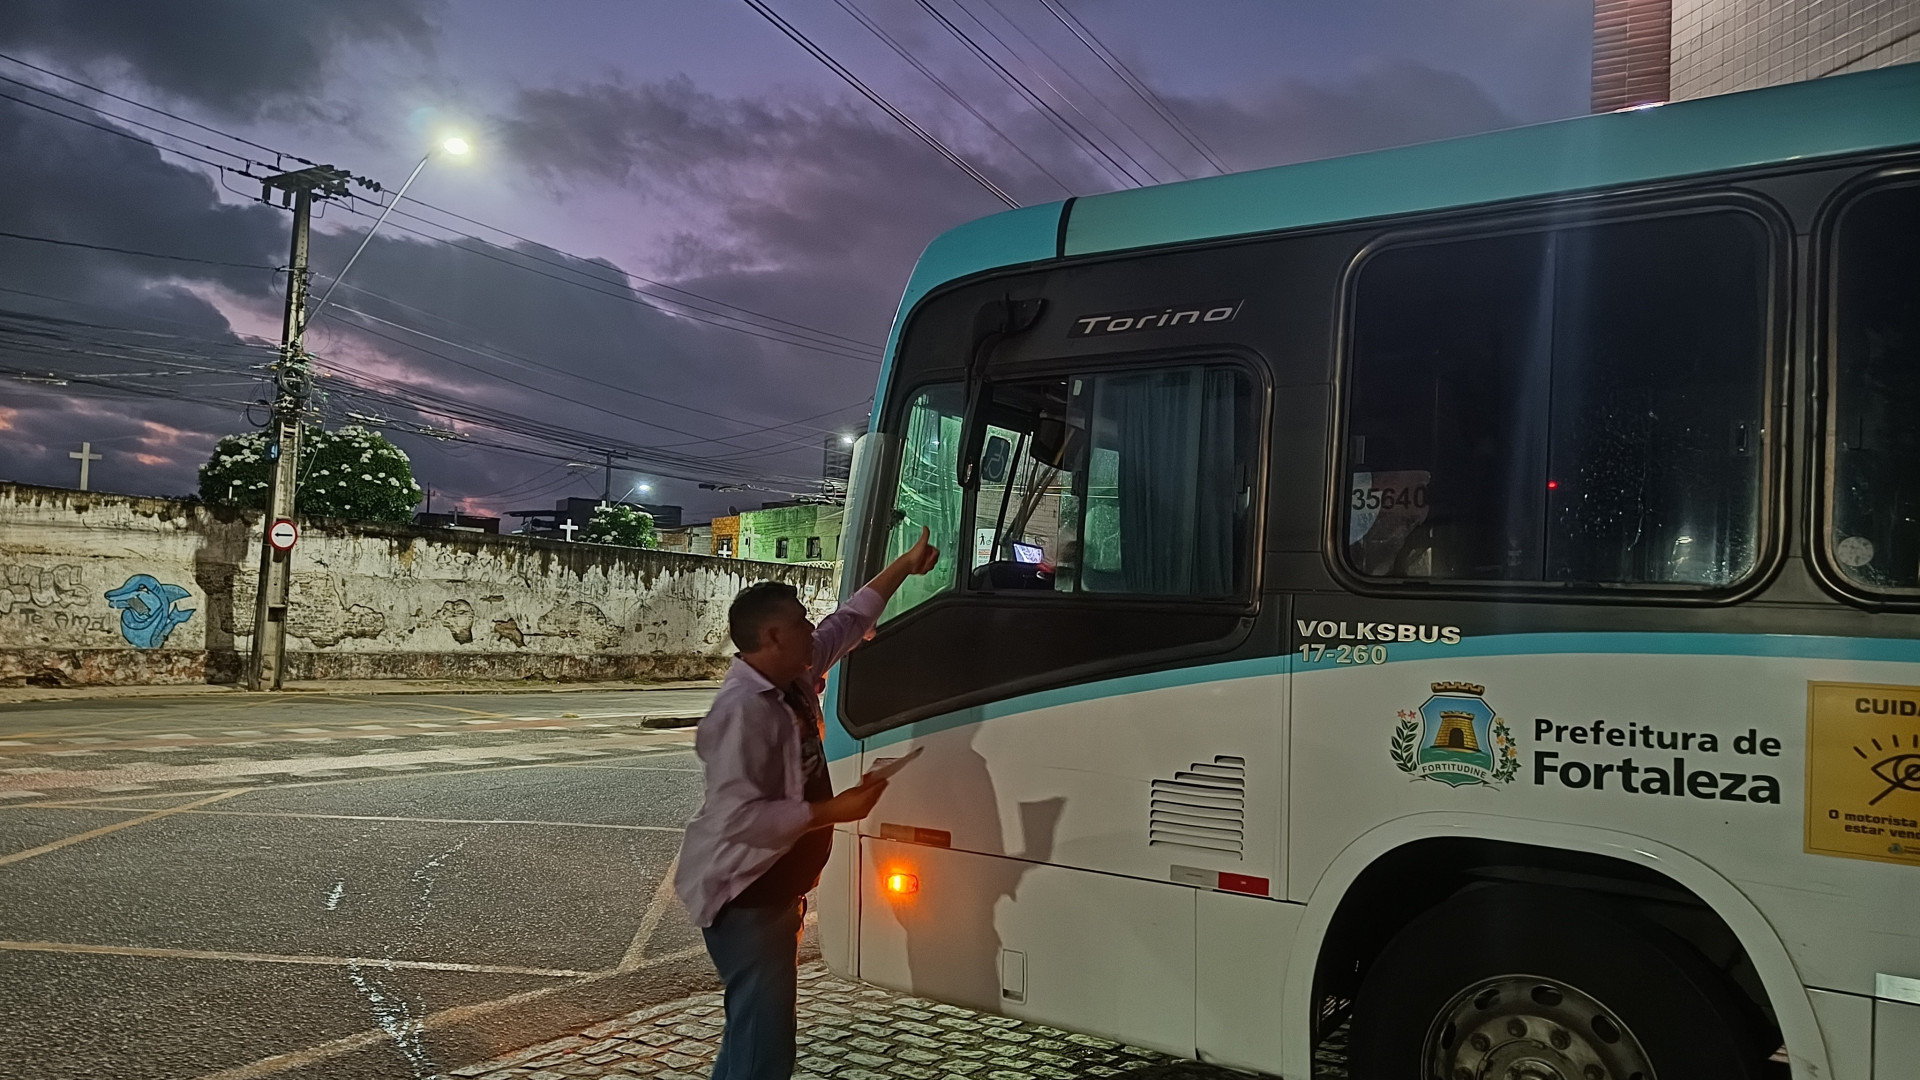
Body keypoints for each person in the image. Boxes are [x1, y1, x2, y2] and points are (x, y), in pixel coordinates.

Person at [675, 526, 941, 1079]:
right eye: (800, 622)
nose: (810, 628)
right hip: (748, 898)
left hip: (777, 890)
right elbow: (738, 819)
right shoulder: (742, 713)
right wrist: (832, 811)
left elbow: (846, 625)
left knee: (759, 1036)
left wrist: (903, 566)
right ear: (773, 637)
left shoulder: (791, 676)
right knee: (761, 1050)